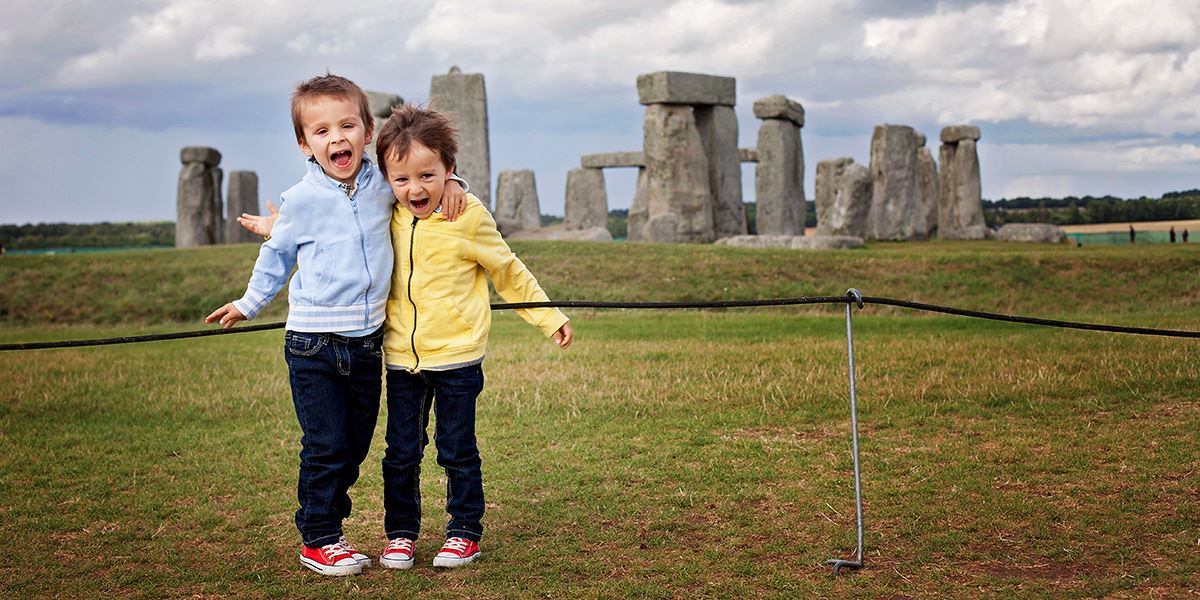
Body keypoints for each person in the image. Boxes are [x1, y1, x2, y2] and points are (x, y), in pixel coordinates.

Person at [205, 74, 468, 577]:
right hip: (312, 344)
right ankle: (320, 537)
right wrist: (249, 303)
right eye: (321, 131)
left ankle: (326, 529)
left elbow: (422, 173)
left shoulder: (381, 184)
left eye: (348, 125)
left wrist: (455, 182)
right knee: (325, 445)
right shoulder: (300, 199)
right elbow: (277, 255)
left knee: (354, 446)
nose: (337, 137)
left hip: (367, 343)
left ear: (368, 131)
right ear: (305, 144)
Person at [374, 104, 573, 570]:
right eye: (401, 179)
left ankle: (464, 532)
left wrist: (548, 316)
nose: (414, 188)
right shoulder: (386, 212)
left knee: (456, 450)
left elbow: (508, 271)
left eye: (428, 175)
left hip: (458, 358)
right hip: (402, 358)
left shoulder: (469, 216)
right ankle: (400, 533)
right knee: (401, 452)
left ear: (449, 170)